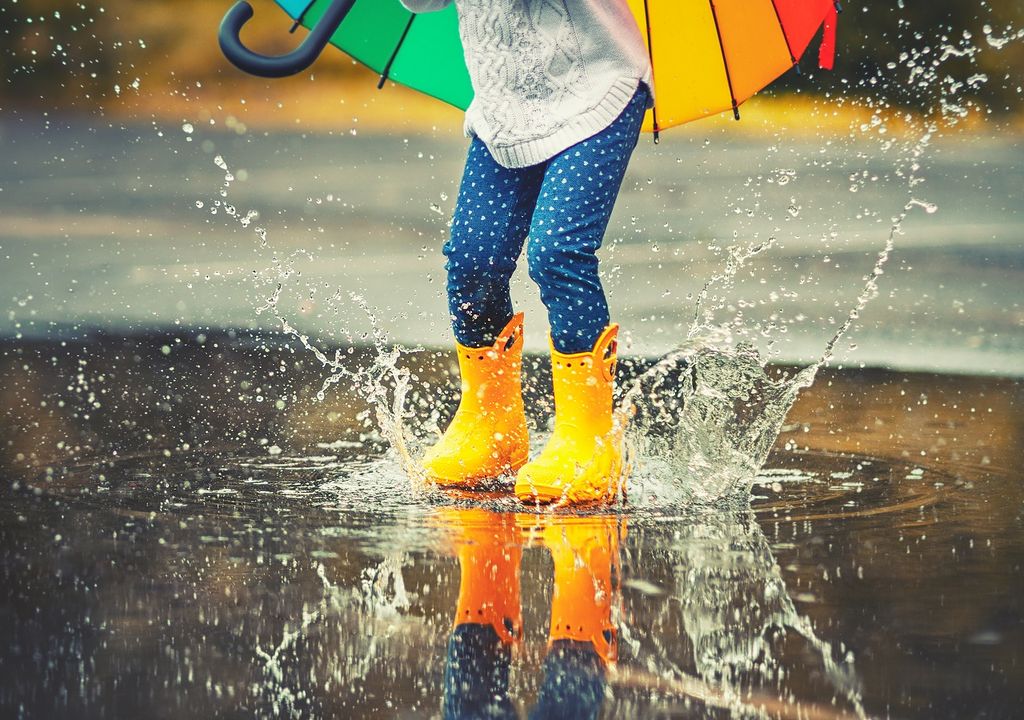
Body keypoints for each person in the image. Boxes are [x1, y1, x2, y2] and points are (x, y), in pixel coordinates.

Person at [401, 0, 653, 505]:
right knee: (474, 261)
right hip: (505, 110)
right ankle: (492, 426)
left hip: (595, 88)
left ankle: (589, 438)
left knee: (558, 253)